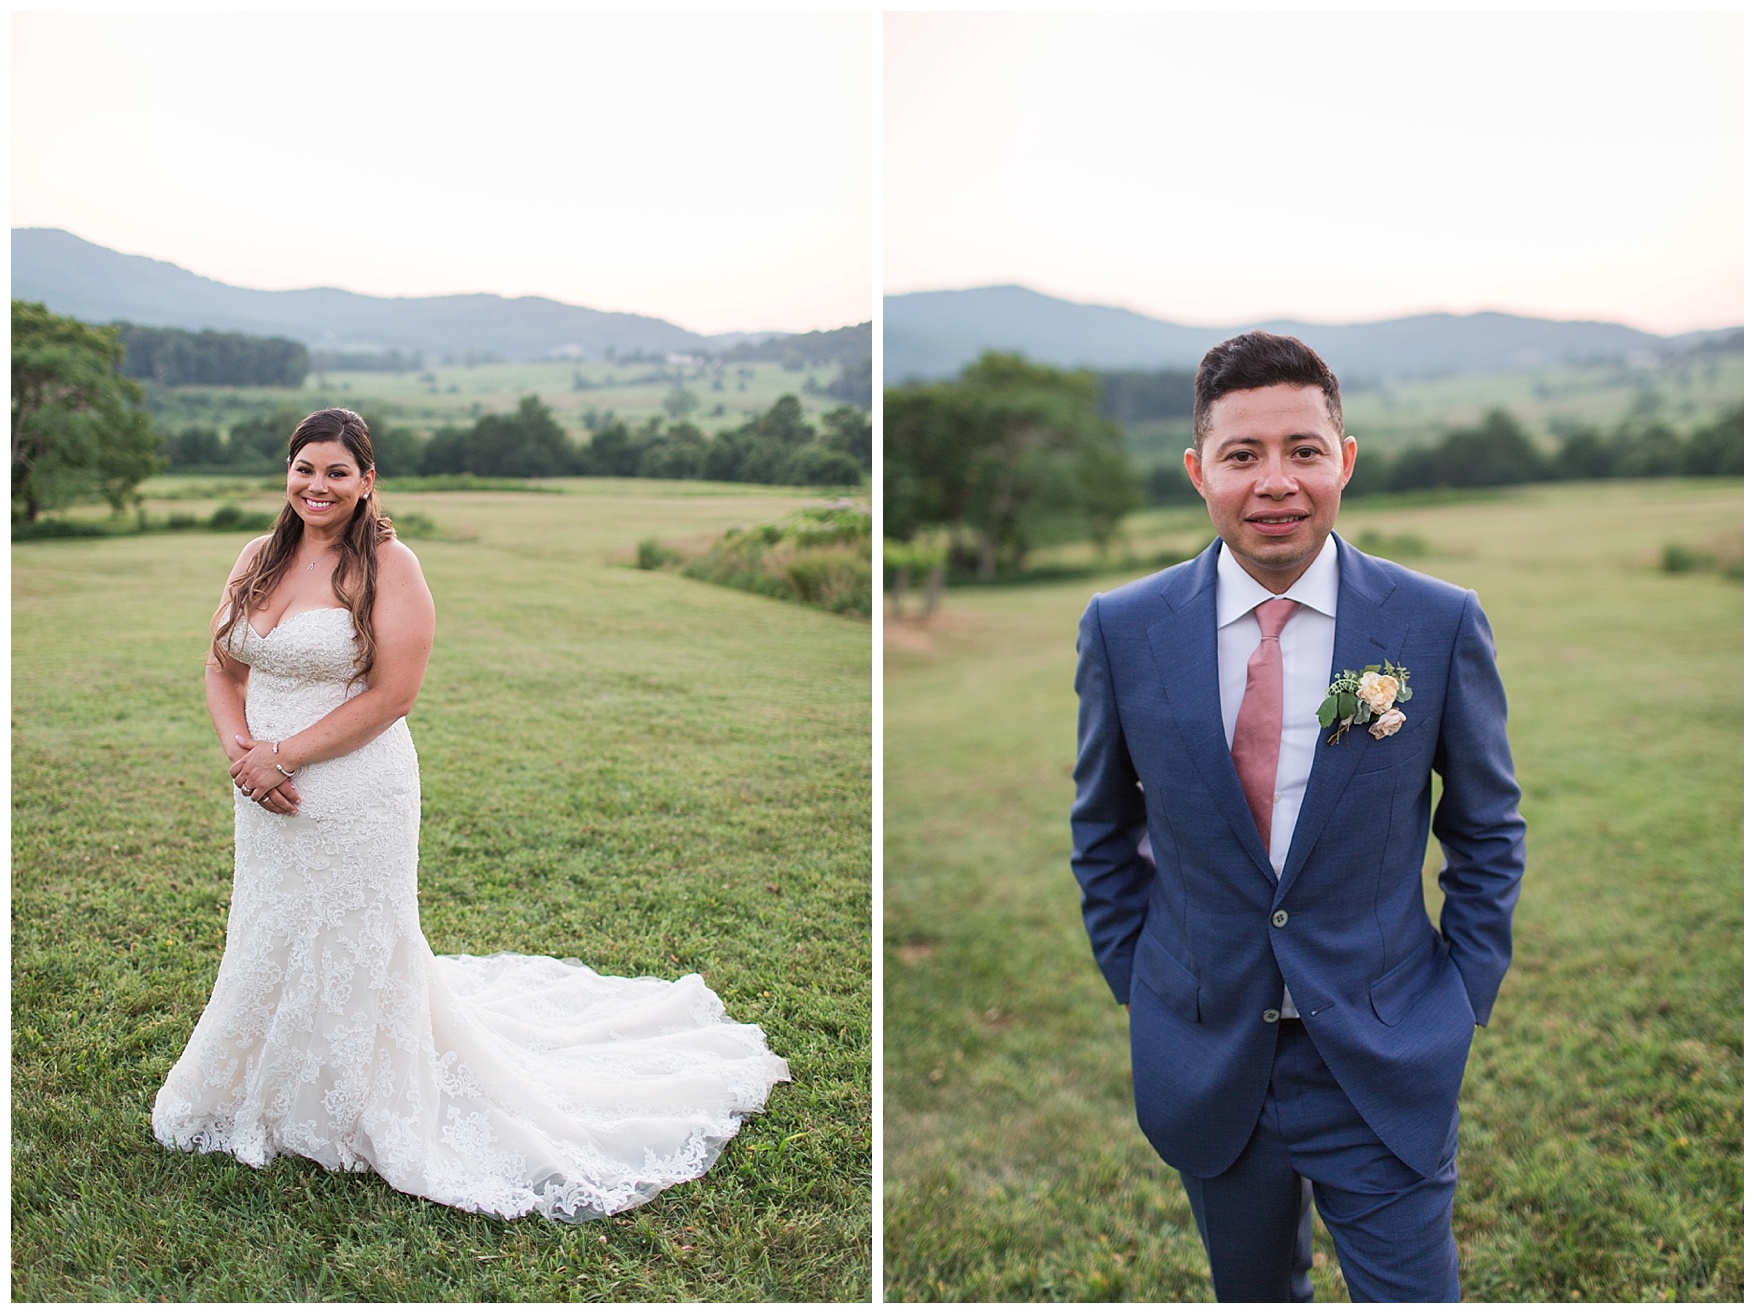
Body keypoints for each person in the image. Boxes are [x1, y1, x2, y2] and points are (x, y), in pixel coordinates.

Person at [153, 407, 789, 1221]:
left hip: (351, 786)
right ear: (288, 472)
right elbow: (220, 667)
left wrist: (285, 755)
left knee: (352, 935)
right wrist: (242, 751)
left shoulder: (390, 564)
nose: (318, 485)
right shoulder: (256, 557)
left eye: (337, 472)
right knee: (272, 924)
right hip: (261, 789)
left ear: (367, 481)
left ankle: (356, 1103)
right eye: (305, 468)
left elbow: (393, 695)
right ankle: (268, 1088)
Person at [1069, 332, 1523, 1301]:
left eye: (1304, 450)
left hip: (1384, 1052)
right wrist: (1146, 984)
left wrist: (1458, 1001)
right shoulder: (1123, 628)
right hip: (1209, 1056)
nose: (1276, 481)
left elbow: (1486, 832)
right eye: (1243, 455)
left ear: (1344, 460)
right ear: (1198, 471)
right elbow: (1102, 831)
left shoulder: (1436, 625)